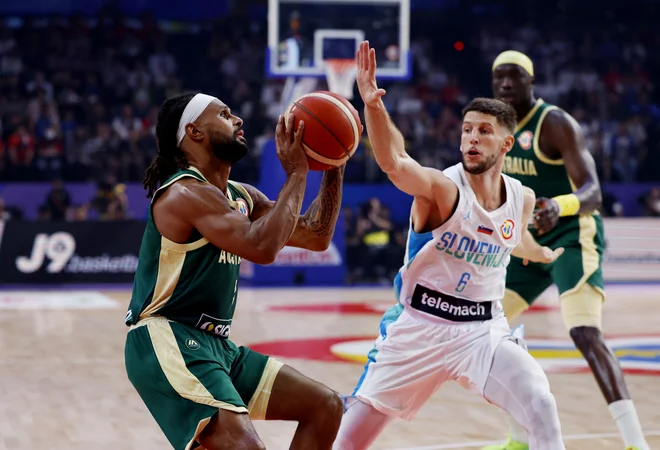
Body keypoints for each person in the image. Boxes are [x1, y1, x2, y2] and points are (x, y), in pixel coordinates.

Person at [333, 41, 565, 450]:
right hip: (419, 329)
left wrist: (541, 253)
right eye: (467, 129)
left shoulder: (521, 198)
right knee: (348, 444)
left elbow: (513, 238)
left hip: (482, 331)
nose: (472, 138)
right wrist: (372, 104)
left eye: (485, 131)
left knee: (541, 404)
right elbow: (395, 162)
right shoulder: (442, 189)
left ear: (506, 145)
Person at [124, 92, 346, 450]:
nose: (238, 119)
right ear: (194, 132)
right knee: (245, 446)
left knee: (325, 406)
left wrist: (335, 163)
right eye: (225, 114)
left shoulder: (242, 195)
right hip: (167, 338)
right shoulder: (184, 192)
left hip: (216, 346)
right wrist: (297, 173)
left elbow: (317, 236)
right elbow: (261, 247)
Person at [484, 50, 649, 450]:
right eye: (499, 78)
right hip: (527, 239)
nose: (505, 84)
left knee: (585, 333)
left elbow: (593, 191)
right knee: (485, 330)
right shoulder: (493, 129)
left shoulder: (554, 123)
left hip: (573, 233)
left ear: (531, 82)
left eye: (514, 77)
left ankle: (635, 442)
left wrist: (560, 205)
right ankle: (517, 439)